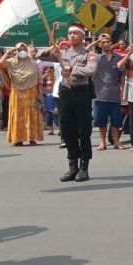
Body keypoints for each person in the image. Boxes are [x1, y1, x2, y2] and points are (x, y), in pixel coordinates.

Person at [40, 24, 98, 182]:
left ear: (82, 36)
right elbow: (41, 58)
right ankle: (73, 167)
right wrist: (50, 49)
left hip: (81, 92)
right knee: (67, 131)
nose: (71, 36)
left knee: (83, 131)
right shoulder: (62, 53)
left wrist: (72, 70)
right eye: (69, 33)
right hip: (65, 93)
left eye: (75, 33)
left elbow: (91, 70)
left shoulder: (89, 54)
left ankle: (84, 167)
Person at [0, 43, 44, 146]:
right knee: (17, 115)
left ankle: (32, 138)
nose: (22, 51)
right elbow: (0, 64)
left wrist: (40, 94)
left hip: (32, 93)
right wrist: (9, 52)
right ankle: (18, 139)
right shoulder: (11, 62)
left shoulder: (33, 63)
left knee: (32, 115)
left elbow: (39, 80)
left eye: (24, 49)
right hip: (17, 93)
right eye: (20, 50)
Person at [91, 32, 124, 151]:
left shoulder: (118, 58)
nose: (105, 44)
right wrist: (96, 41)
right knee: (101, 121)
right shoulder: (95, 58)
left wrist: (123, 91)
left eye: (108, 41)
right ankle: (103, 142)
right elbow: (84, 51)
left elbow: (122, 76)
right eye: (103, 42)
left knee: (116, 121)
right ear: (99, 45)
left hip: (115, 94)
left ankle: (116, 141)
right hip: (100, 94)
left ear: (111, 43)